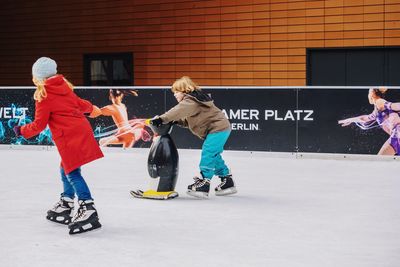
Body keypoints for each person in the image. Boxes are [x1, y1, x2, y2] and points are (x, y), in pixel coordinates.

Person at [13, 57, 103, 234]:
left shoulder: (44, 95)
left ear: (37, 77)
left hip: (69, 137)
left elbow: (39, 125)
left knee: (72, 172)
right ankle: (67, 202)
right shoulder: (64, 87)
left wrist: (21, 130)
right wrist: (92, 109)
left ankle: (88, 208)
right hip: (80, 131)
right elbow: (79, 104)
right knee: (65, 168)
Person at [150, 76, 237, 198]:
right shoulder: (194, 102)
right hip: (220, 128)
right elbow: (187, 121)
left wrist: (161, 119)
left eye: (176, 92)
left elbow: (176, 111)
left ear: (184, 90)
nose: (175, 95)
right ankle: (227, 181)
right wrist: (176, 122)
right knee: (214, 155)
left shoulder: (190, 101)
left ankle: (205, 182)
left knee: (208, 152)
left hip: (218, 128)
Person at [338, 87, 400, 155]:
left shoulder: (379, 102)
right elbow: (364, 118)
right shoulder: (377, 109)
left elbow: (395, 106)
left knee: (380, 161)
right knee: (382, 161)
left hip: (397, 134)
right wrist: (349, 120)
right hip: (397, 136)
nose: (368, 95)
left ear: (372, 93)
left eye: (368, 92)